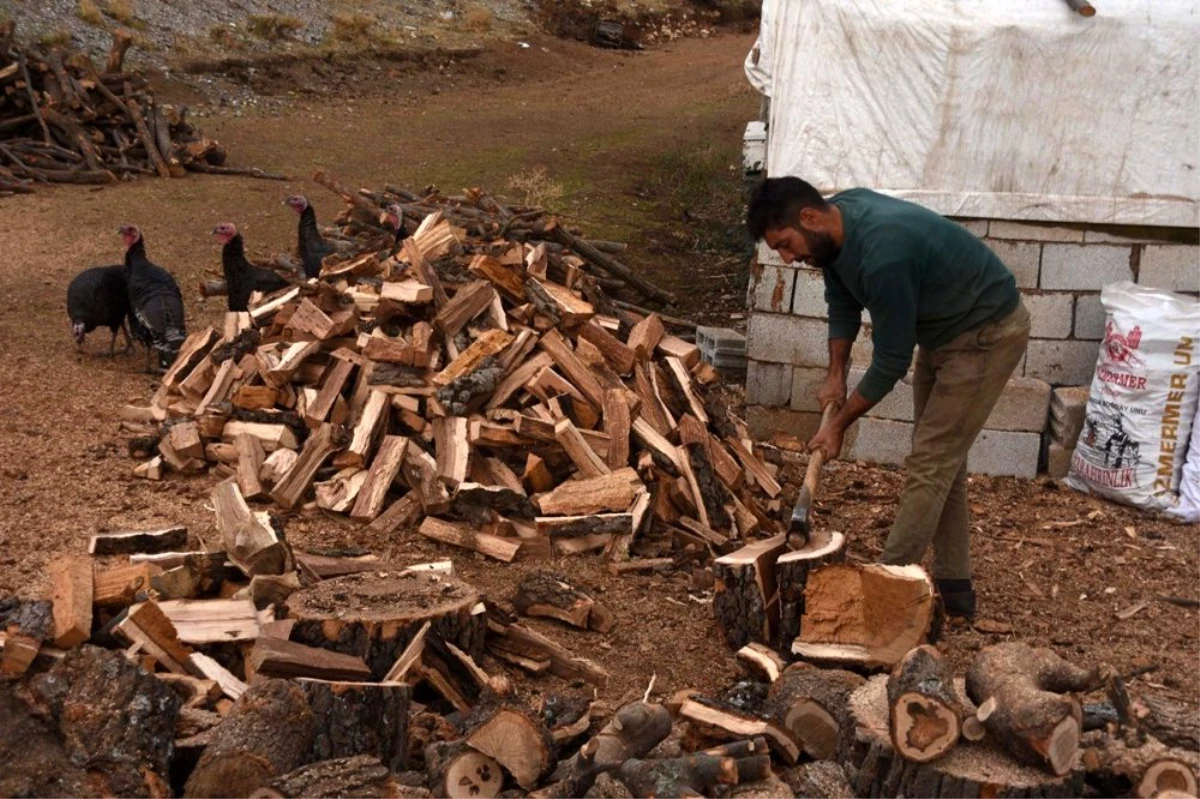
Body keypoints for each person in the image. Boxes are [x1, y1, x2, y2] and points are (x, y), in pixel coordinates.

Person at [747, 177, 1031, 620]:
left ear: (809, 217)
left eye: (785, 244)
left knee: (931, 462)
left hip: (985, 335)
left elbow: (891, 361)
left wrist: (837, 425)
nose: (787, 258)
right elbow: (841, 300)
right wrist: (835, 375)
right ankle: (957, 593)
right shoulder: (835, 232)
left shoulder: (884, 253)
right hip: (943, 333)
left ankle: (884, 599)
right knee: (942, 461)